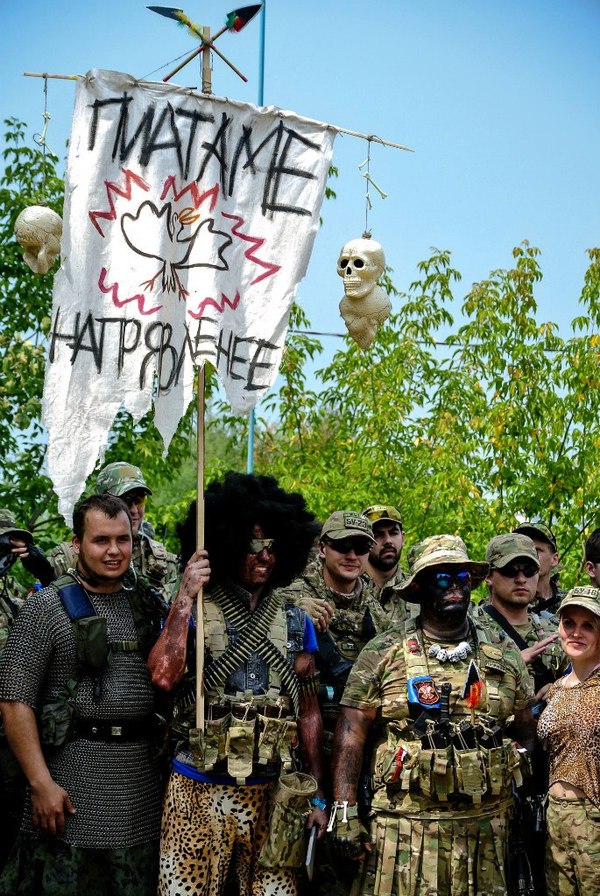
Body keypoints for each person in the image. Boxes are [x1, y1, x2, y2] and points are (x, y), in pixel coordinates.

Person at [0, 493, 209, 896]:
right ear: (76, 543)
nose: (114, 551)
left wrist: (185, 597)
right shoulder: (46, 608)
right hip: (69, 782)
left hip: (138, 785)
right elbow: (14, 699)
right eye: (101, 540)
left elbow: (168, 678)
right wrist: (40, 782)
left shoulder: (147, 604)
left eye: (122, 539)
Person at [148, 472, 327, 896]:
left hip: (272, 792)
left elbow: (309, 714)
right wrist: (184, 596)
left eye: (272, 545)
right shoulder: (194, 609)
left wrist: (316, 794)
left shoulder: (296, 620)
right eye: (252, 544)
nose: (264, 556)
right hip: (196, 786)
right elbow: (162, 676)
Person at [330, 534, 536, 896]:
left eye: (461, 578)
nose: (454, 586)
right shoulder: (383, 652)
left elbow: (525, 733)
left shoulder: (504, 655)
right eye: (442, 578)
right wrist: (344, 812)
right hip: (403, 833)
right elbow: (351, 732)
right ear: (420, 586)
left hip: (485, 835)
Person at [475, 532, 566, 896]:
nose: (521, 578)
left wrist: (561, 687)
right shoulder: (471, 628)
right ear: (489, 576)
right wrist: (513, 666)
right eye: (510, 570)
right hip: (492, 768)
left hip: (550, 767)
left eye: (528, 570)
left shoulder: (556, 629)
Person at [537, 585, 600, 896]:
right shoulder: (557, 688)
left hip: (594, 818)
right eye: (569, 623)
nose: (576, 632)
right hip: (555, 819)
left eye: (588, 625)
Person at [49, 461, 179, 604]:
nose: (134, 510)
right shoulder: (65, 559)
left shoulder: (163, 563)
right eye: (125, 501)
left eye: (139, 500)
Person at [361, 504, 409, 626]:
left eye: (393, 533)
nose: (388, 541)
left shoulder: (415, 589)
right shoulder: (350, 588)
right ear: (365, 541)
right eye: (378, 535)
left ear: (403, 538)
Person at [513, 521, 565, 614]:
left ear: (554, 559)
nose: (528, 556)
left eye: (536, 550)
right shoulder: (502, 603)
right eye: (521, 551)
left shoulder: (569, 603)